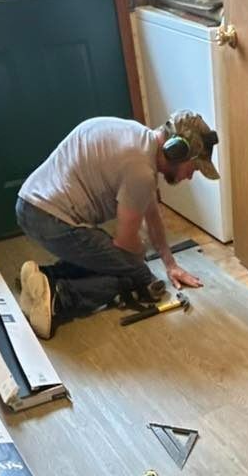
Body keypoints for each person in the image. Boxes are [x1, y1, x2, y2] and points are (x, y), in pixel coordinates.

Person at [14, 110, 217, 338]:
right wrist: (136, 257)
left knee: (112, 258)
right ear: (176, 151)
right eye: (194, 168)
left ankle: (43, 276)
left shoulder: (136, 138)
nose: (190, 177)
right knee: (138, 276)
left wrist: (170, 264)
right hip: (52, 221)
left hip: (29, 205)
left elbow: (152, 215)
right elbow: (125, 242)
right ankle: (59, 298)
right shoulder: (141, 171)